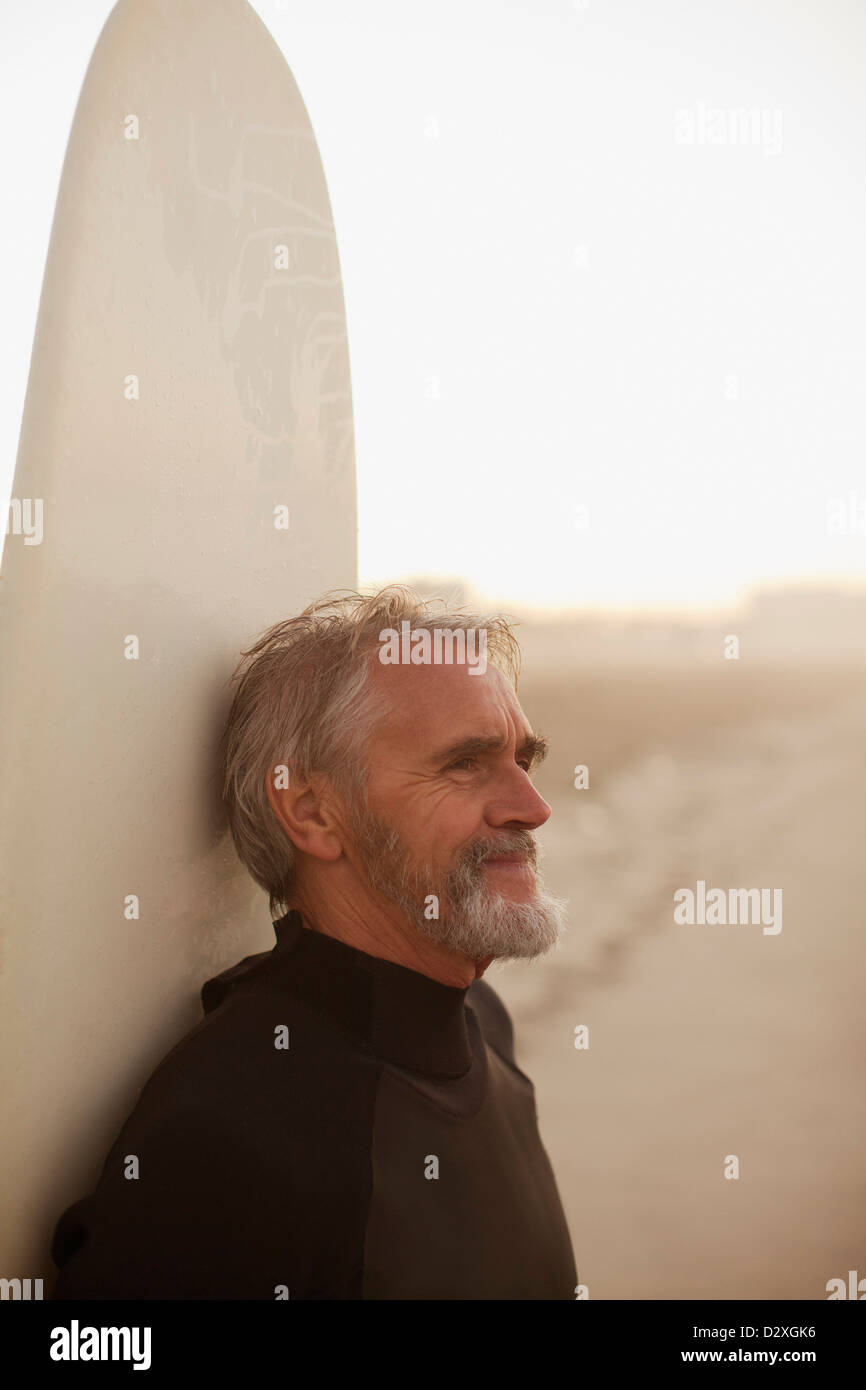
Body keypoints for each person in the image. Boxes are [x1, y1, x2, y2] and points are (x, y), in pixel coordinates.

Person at [50, 586, 578, 1299]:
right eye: (464, 764)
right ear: (312, 814)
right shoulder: (230, 1140)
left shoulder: (482, 1019)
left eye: (524, 759)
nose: (533, 807)